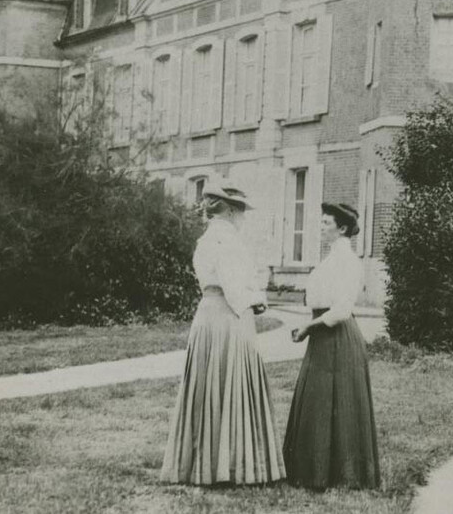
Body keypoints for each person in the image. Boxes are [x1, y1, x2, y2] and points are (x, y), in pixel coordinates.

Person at [161, 182, 285, 486]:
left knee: (209, 383)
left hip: (207, 313)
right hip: (229, 315)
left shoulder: (205, 240)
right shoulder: (228, 240)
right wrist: (258, 300)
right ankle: (231, 466)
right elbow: (234, 288)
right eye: (240, 211)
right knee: (230, 379)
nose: (242, 217)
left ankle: (204, 462)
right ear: (230, 211)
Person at [283, 202, 381, 490]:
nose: (321, 227)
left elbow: (341, 311)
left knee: (339, 402)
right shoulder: (330, 259)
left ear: (342, 228)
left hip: (337, 337)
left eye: (327, 223)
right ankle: (313, 471)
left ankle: (340, 474)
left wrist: (307, 328)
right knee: (319, 401)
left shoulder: (348, 261)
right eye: (322, 222)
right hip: (323, 337)